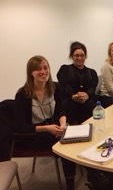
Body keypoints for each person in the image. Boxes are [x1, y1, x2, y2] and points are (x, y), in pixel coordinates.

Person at [14, 55, 75, 190]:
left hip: (53, 128)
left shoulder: (55, 87)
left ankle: (72, 179)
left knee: (69, 136)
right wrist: (47, 128)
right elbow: (20, 126)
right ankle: (70, 185)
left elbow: (61, 110)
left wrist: (63, 125)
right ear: (31, 73)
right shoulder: (22, 95)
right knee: (66, 143)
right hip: (33, 134)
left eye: (45, 68)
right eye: (38, 69)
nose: (43, 72)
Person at [57, 41, 98, 125]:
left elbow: (93, 87)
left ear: (85, 56)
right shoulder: (65, 69)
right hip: (71, 104)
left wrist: (86, 95)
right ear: (72, 56)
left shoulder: (92, 72)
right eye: (76, 55)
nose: (79, 58)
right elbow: (65, 85)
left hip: (88, 103)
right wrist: (72, 95)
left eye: (82, 55)